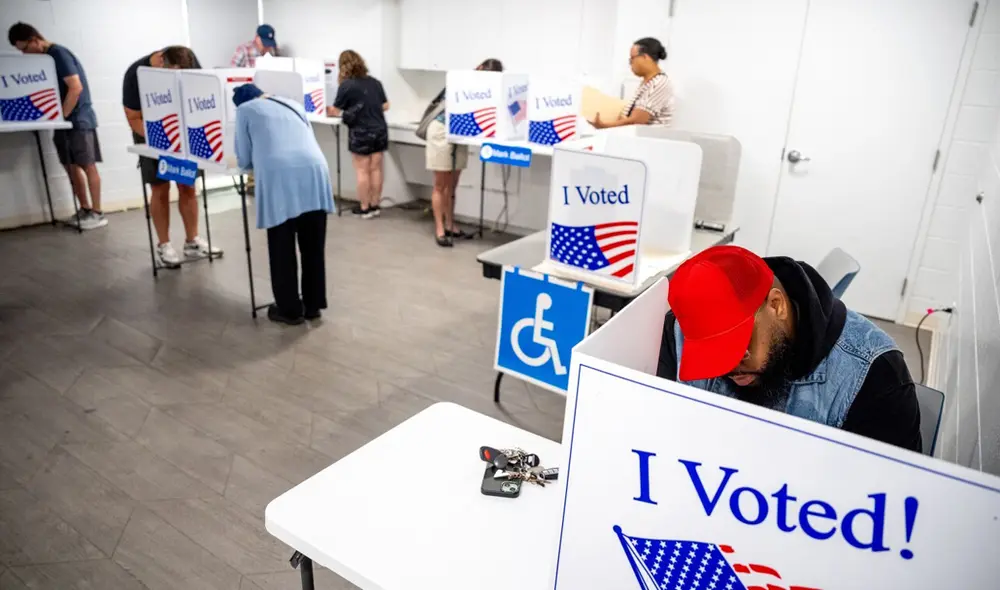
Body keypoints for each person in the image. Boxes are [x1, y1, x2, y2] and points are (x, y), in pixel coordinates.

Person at [657, 245, 922, 452]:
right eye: (710, 354)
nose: (728, 366)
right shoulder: (677, 332)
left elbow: (889, 506)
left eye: (739, 346)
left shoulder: (875, 375)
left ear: (776, 305)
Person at [233, 84, 334, 325]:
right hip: (315, 170)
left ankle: (289, 309)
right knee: (313, 246)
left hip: (280, 176)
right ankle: (312, 305)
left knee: (282, 244)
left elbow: (244, 157)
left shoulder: (245, 110)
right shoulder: (292, 103)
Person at [122, 46, 221, 267]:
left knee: (187, 185)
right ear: (161, 62)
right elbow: (133, 117)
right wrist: (161, 140)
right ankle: (164, 245)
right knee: (160, 187)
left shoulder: (190, 62)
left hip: (184, 132)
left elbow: (203, 96)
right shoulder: (136, 73)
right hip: (150, 131)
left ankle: (192, 241)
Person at [8, 22, 106, 230]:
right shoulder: (45, 60)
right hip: (63, 122)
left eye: (25, 49)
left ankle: (98, 212)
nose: (25, 55)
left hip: (78, 119)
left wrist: (62, 116)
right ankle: (85, 209)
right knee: (70, 165)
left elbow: (75, 87)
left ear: (35, 40)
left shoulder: (58, 53)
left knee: (87, 164)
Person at [423, 58, 503, 247]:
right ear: (480, 69)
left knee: (452, 185)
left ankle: (451, 224)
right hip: (442, 130)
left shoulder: (487, 89)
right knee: (440, 185)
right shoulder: (460, 82)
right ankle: (440, 229)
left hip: (460, 134)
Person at [327, 50, 388, 219]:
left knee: (362, 170)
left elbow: (335, 110)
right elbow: (386, 105)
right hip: (380, 130)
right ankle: (375, 205)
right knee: (376, 169)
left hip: (361, 131)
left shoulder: (346, 85)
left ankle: (364, 207)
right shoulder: (375, 83)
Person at [592, 37, 673, 129]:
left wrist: (604, 126)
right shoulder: (647, 83)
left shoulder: (659, 83)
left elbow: (637, 120)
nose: (631, 64)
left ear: (644, 57)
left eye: (632, 59)